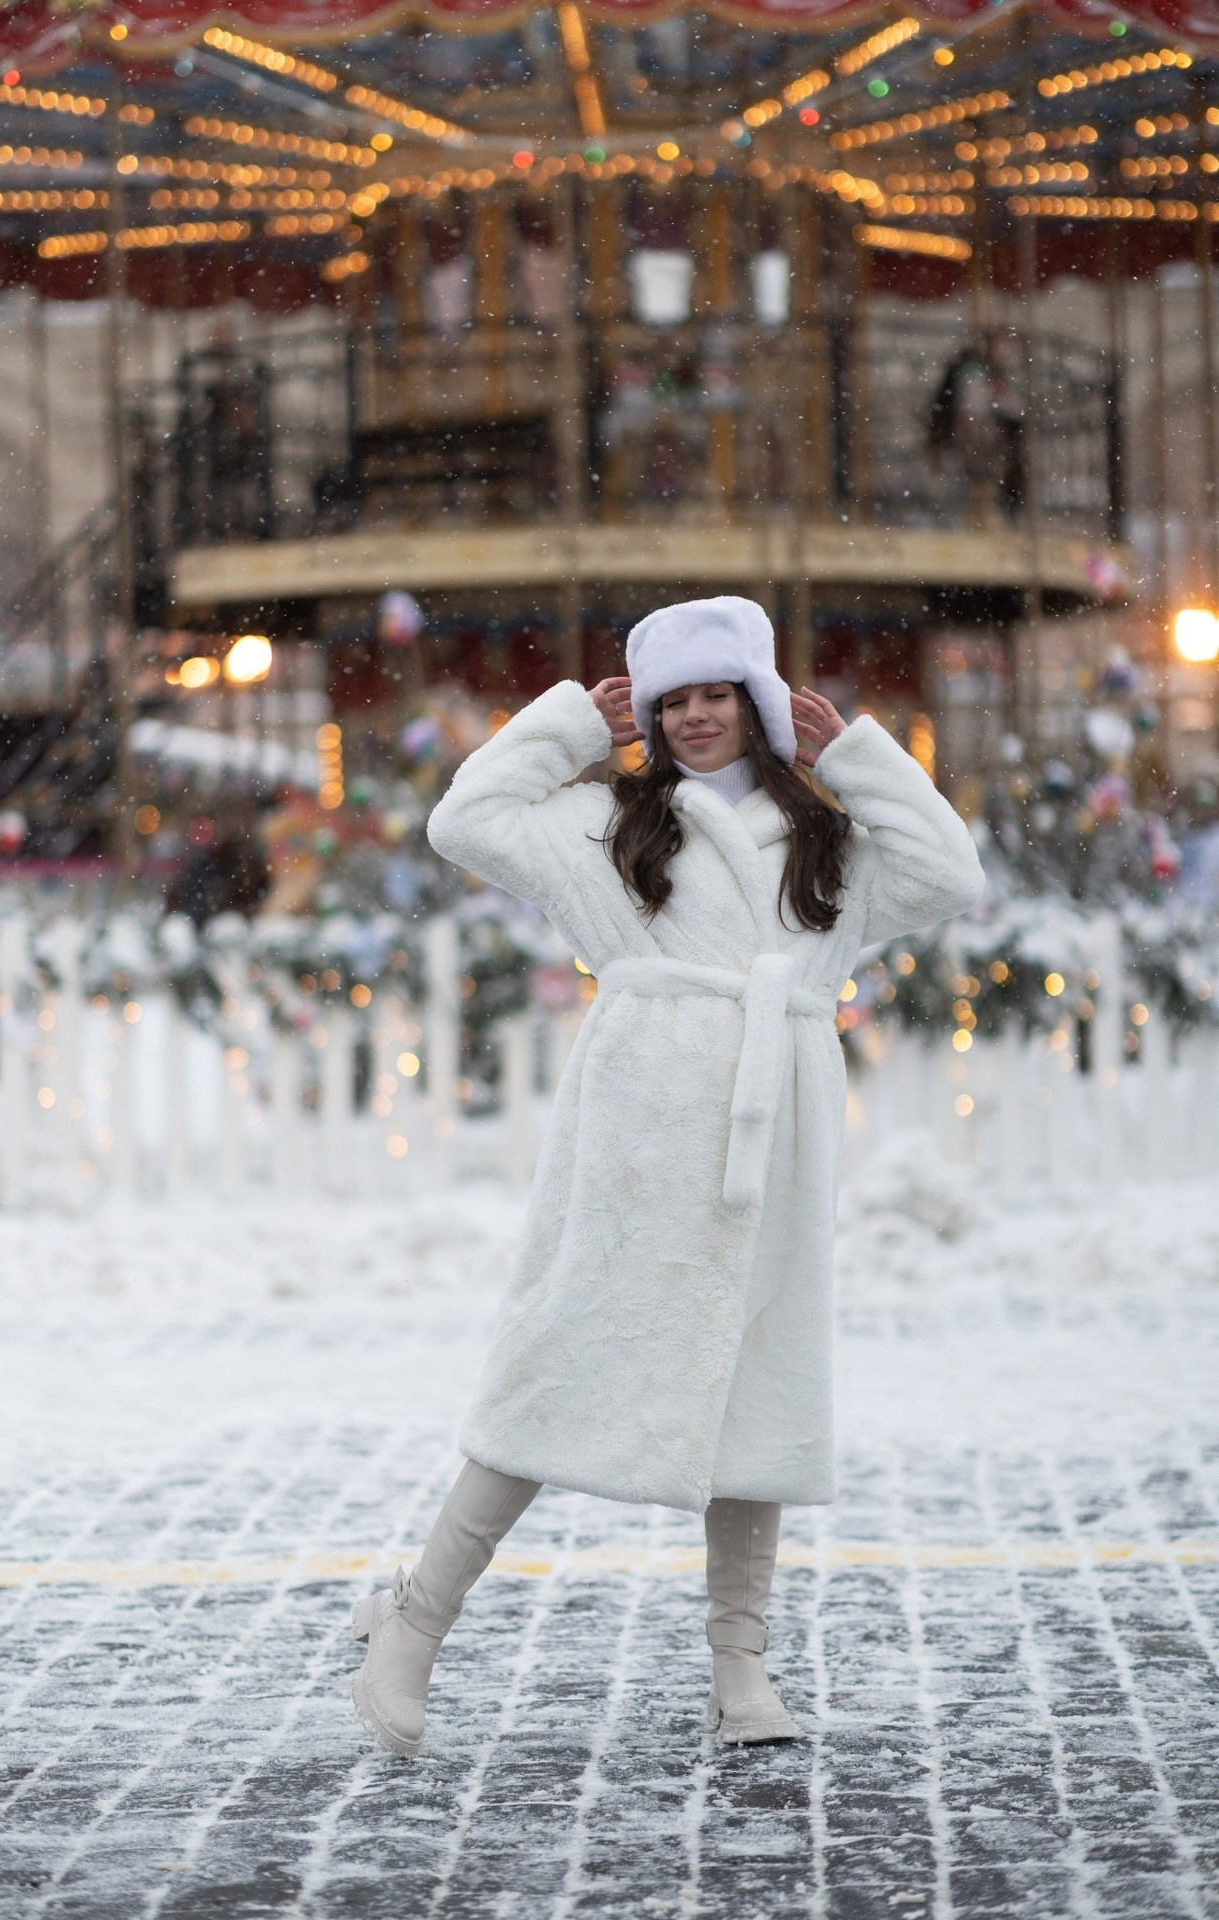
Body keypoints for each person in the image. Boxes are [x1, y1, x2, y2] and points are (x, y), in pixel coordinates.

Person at [350, 596, 984, 1756]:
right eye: (672, 702)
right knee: (553, 1366)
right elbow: (465, 820)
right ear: (647, 717)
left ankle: (739, 1668)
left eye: (716, 694)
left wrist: (851, 751)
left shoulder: (825, 842)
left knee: (760, 1395)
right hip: (642, 1129)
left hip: (774, 1129)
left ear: (755, 702)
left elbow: (949, 874)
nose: (695, 718)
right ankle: (412, 1625)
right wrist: (562, 732)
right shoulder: (606, 824)